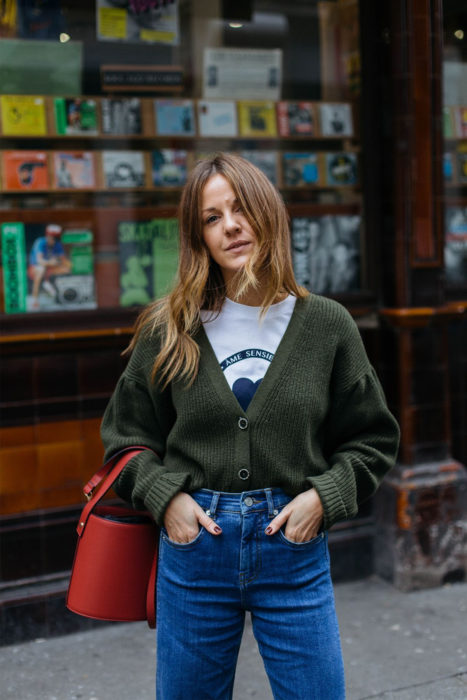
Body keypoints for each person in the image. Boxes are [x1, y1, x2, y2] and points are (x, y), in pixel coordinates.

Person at [101, 153, 400, 700]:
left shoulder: (326, 325)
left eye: (240, 209)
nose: (230, 226)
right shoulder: (171, 328)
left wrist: (323, 498)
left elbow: (372, 439)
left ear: (269, 214)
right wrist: (168, 500)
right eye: (212, 218)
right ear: (200, 238)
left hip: (293, 549)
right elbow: (126, 437)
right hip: (195, 552)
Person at [28, 224, 71, 309]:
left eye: (56, 238)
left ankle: (58, 291)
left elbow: (64, 260)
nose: (54, 240)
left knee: (66, 269)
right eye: (52, 237)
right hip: (35, 269)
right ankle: (34, 300)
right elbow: (40, 261)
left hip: (50, 270)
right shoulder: (40, 242)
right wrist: (51, 262)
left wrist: (72, 265)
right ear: (47, 235)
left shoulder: (57, 244)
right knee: (41, 269)